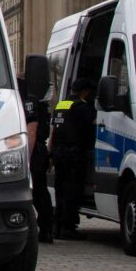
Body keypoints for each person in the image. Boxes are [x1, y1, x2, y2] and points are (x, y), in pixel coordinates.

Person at [49, 79, 96, 238]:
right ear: (84, 92)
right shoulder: (83, 108)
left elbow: (54, 131)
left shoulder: (61, 105)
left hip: (58, 153)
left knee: (60, 190)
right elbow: (95, 124)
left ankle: (57, 226)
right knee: (72, 191)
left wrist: (51, 153)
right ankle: (67, 227)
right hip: (74, 155)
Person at [24, 86, 54, 243]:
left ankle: (46, 228)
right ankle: (46, 228)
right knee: (40, 191)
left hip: (34, 150)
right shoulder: (39, 101)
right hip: (39, 150)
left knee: (37, 191)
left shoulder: (30, 99)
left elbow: (32, 130)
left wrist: (26, 158)